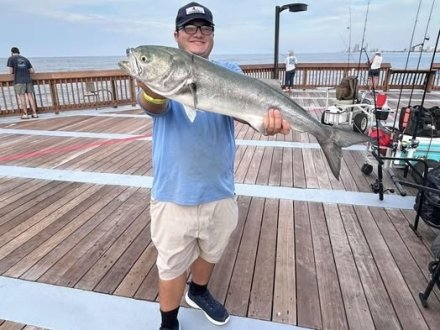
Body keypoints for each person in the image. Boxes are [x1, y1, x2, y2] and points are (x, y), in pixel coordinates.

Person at [135, 2, 291, 330]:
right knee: (172, 265)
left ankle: (200, 291)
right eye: (189, 28)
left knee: (213, 248)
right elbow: (153, 105)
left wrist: (268, 122)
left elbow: (246, 113)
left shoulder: (230, 70)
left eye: (204, 28)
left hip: (219, 188)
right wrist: (149, 77)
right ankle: (169, 323)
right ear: (176, 36)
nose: (198, 33)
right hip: (174, 193)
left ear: (213, 36)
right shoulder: (164, 83)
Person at [7, 47, 38, 119]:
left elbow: (11, 71)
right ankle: (34, 113)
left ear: (11, 52)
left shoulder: (11, 58)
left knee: (22, 97)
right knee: (30, 96)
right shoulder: (25, 59)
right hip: (28, 80)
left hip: (19, 80)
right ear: (19, 52)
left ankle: (25, 114)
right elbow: (32, 71)